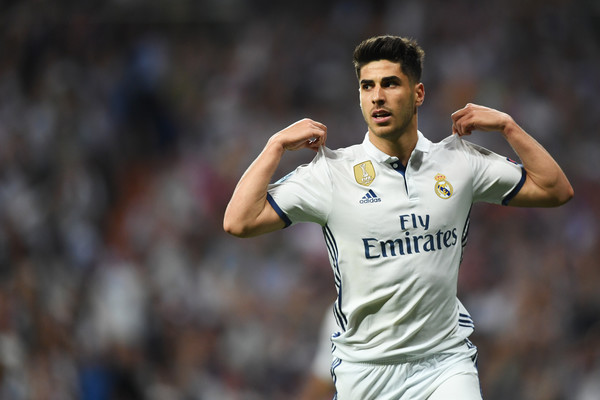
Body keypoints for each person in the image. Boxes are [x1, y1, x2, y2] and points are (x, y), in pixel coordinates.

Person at [223, 35, 573, 399]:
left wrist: (508, 127)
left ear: (418, 93)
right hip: (366, 371)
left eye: (390, 84)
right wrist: (275, 146)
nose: (377, 96)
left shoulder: (459, 161)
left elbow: (555, 189)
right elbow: (238, 221)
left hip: (445, 363)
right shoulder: (331, 173)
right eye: (367, 86)